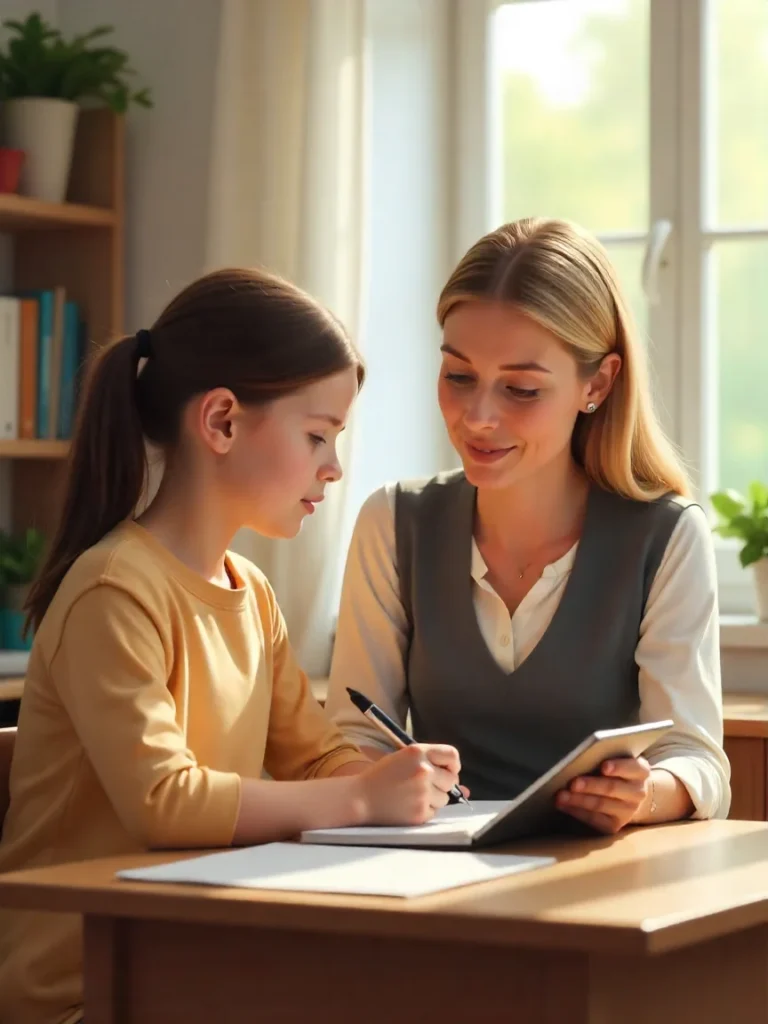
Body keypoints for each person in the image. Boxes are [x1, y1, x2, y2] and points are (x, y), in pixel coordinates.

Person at [0, 268, 461, 1024]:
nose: (334, 467)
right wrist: (358, 798)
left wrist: (390, 779)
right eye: (317, 435)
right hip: (81, 984)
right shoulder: (115, 590)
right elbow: (163, 802)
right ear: (220, 421)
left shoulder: (249, 592)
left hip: (188, 960)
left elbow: (311, 756)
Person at [326, 217, 730, 836]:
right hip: (426, 873)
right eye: (458, 377)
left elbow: (697, 759)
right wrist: (380, 779)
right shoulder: (393, 523)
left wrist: (650, 793)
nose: (478, 417)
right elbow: (354, 737)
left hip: (597, 879)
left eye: (520, 388)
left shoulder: (666, 538)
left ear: (597, 382)